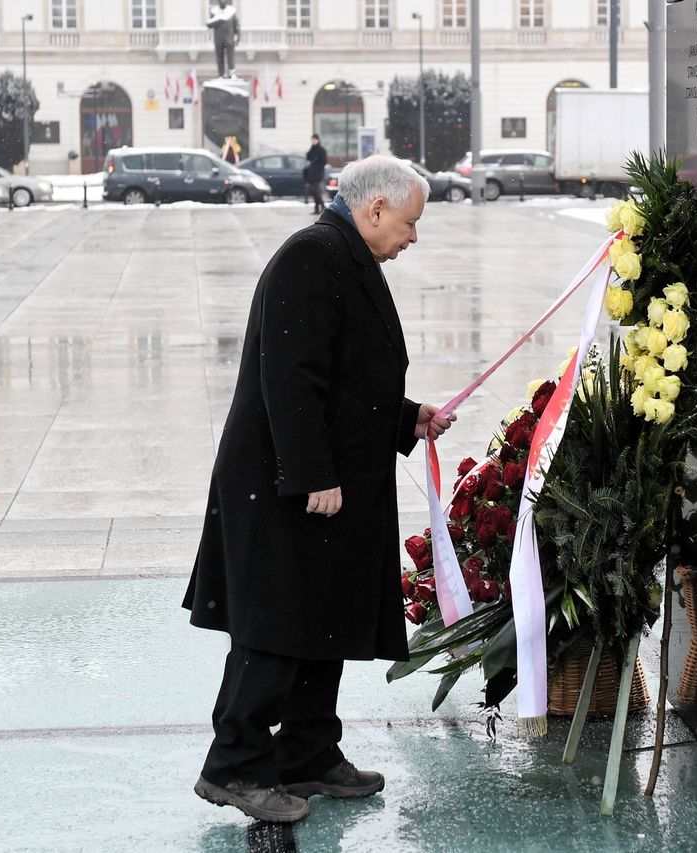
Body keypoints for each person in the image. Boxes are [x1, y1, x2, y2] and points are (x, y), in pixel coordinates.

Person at [184, 155, 453, 824]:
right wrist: (313, 474)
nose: (413, 237)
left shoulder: (342, 253)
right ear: (376, 210)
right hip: (287, 485)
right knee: (276, 624)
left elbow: (346, 374)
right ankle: (235, 766)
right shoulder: (312, 256)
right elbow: (291, 376)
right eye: (411, 223)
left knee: (320, 617)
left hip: (322, 479)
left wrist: (405, 417)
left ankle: (307, 751)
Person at [207, 0, 240, 78]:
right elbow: (209, 24)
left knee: (230, 56)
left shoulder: (231, 11)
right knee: (219, 57)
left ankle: (232, 72)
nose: (222, 2)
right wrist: (217, 19)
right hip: (219, 38)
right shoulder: (214, 12)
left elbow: (236, 26)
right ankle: (221, 74)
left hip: (229, 38)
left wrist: (238, 37)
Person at [305, 134, 328, 215]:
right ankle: (319, 208)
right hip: (311, 174)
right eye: (312, 140)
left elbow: (324, 161)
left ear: (318, 140)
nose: (313, 141)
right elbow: (308, 159)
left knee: (315, 191)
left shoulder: (321, 150)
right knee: (314, 192)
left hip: (318, 174)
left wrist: (317, 167)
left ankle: (321, 207)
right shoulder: (311, 150)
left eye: (315, 140)